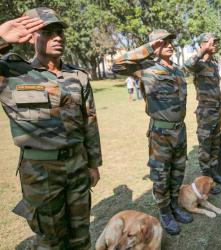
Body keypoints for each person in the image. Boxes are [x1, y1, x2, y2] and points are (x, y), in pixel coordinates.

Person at [0, 8, 102, 249]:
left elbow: (90, 122)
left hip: (78, 167)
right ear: (32, 37)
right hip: (41, 174)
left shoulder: (78, 76)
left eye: (59, 31)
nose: (58, 37)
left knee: (81, 236)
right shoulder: (12, 72)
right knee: (50, 242)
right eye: (48, 32)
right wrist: (1, 39)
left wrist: (93, 164)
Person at [112, 29, 192, 235]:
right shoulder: (144, 68)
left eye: (171, 41)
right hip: (160, 133)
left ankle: (174, 205)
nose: (170, 45)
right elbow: (117, 65)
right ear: (155, 45)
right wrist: (148, 49)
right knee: (161, 175)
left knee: (177, 171)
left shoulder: (177, 70)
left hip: (179, 131)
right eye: (164, 42)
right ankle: (165, 212)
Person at [184, 33, 221, 195]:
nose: (216, 44)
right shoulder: (198, 64)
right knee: (205, 147)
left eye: (217, 42)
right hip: (205, 111)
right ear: (204, 43)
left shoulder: (213, 63)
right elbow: (188, 64)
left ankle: (215, 174)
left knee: (215, 144)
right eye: (213, 42)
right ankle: (206, 180)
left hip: (216, 110)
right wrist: (201, 50)